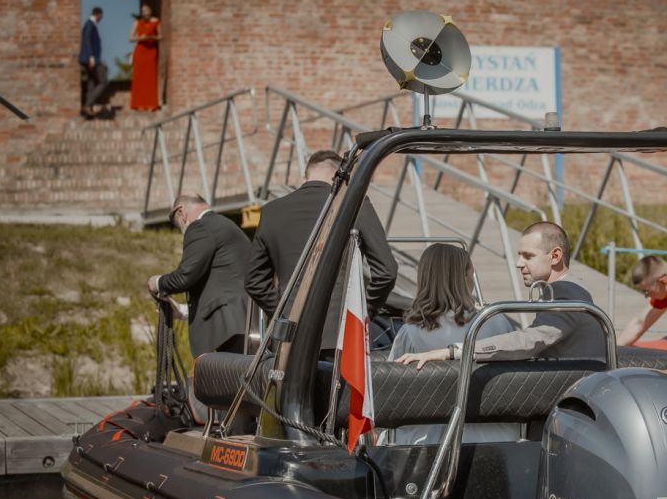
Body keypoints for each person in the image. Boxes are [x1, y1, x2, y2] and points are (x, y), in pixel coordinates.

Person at [245, 150, 397, 355]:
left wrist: (283, 311)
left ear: (305, 177)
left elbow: (254, 281)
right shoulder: (355, 204)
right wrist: (363, 313)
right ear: (342, 178)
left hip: (289, 337)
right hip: (341, 335)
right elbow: (387, 271)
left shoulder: (272, 211)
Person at [396, 221, 605, 368]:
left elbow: (529, 341)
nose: (518, 263)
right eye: (519, 255)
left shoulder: (567, 294)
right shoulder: (562, 292)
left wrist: (452, 351)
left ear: (555, 256)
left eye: (528, 256)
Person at [384, 243, 517, 444]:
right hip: (497, 436)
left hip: (430, 441)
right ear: (465, 277)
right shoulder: (496, 321)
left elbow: (391, 393)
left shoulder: (410, 333)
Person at [149, 194, 250, 358]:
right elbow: (222, 285)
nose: (183, 231)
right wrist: (182, 311)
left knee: (230, 374)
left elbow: (185, 276)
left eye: (179, 226)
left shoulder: (200, 227)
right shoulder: (223, 225)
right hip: (243, 323)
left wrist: (157, 283)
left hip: (228, 329)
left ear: (181, 213)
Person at [129, 3, 161, 111]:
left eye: (146, 10)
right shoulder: (137, 22)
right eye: (143, 11)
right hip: (140, 51)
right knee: (139, 78)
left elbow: (161, 36)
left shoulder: (156, 21)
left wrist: (152, 36)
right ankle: (138, 104)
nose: (145, 13)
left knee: (150, 78)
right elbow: (130, 38)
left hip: (151, 51)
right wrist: (140, 38)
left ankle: (151, 104)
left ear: (150, 11)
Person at [78, 6, 108, 119]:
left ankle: (88, 109)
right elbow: (86, 41)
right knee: (103, 81)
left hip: (91, 58)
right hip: (91, 59)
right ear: (99, 15)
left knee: (91, 82)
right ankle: (87, 105)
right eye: (101, 16)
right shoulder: (89, 24)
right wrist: (91, 56)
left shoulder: (91, 25)